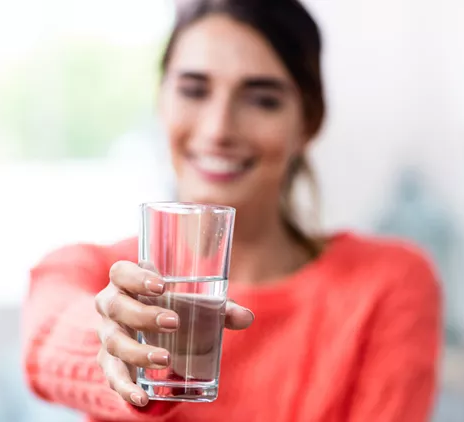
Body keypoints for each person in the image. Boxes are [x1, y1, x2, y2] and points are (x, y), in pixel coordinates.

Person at [22, 0, 442, 421]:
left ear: (308, 122)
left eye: (262, 100)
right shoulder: (90, 272)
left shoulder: (388, 283)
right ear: (161, 101)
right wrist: (117, 347)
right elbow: (48, 342)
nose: (218, 129)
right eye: (194, 90)